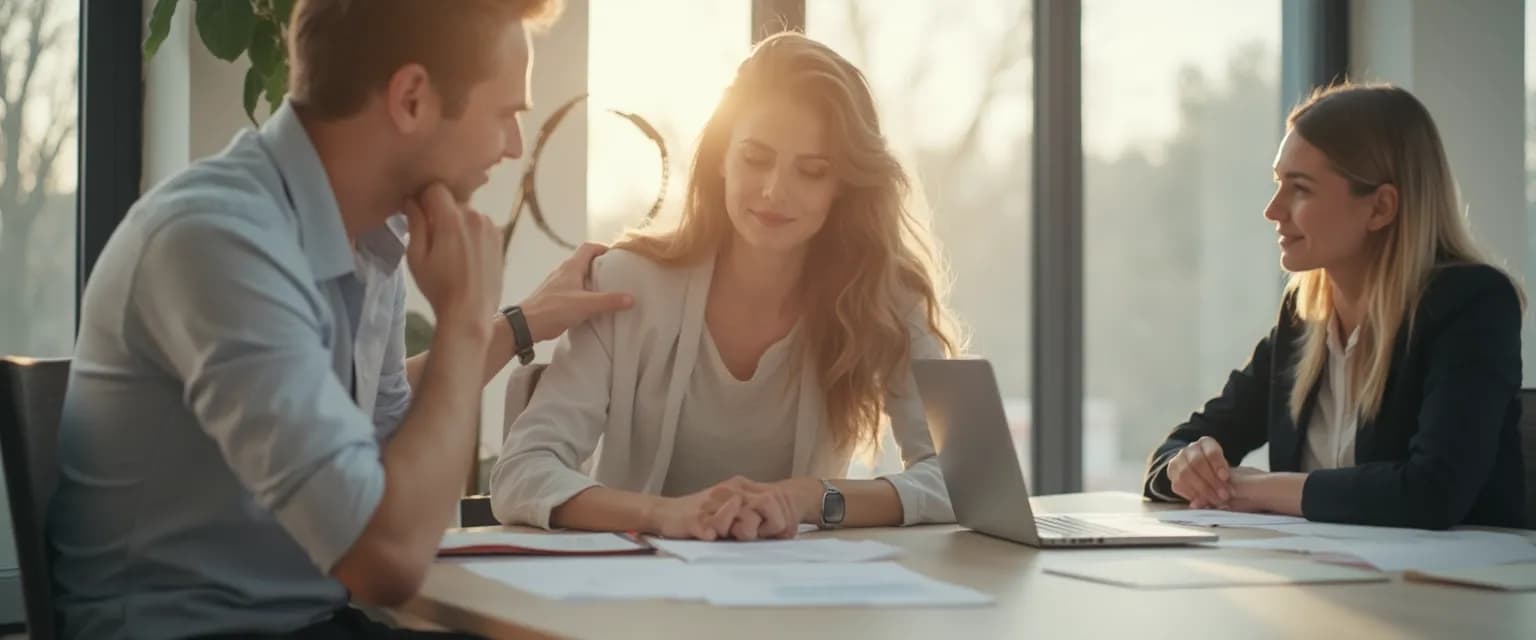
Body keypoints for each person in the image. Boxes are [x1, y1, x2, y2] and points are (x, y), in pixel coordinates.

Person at [47, 1, 632, 637]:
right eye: (505, 115)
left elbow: (385, 443)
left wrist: (511, 325)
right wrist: (463, 321)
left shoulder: (369, 239)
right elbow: (385, 560)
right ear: (412, 98)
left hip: (310, 621)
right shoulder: (218, 241)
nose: (513, 146)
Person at [488, 32, 963, 541]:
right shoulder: (627, 285)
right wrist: (660, 514)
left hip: (803, 601)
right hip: (635, 606)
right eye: (756, 159)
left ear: (843, 186)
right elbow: (522, 472)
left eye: (811, 171)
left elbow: (965, 480)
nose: (775, 191)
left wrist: (810, 497)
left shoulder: (882, 296)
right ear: (721, 158)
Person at [1142, 82, 1526, 529]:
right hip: (1326, 583)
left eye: (1300, 189)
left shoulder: (1473, 304)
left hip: (1454, 592)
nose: (1273, 209)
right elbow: (1180, 446)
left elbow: (1432, 492)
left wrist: (1252, 489)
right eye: (1277, 184)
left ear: (1380, 207)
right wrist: (1185, 469)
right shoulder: (1303, 320)